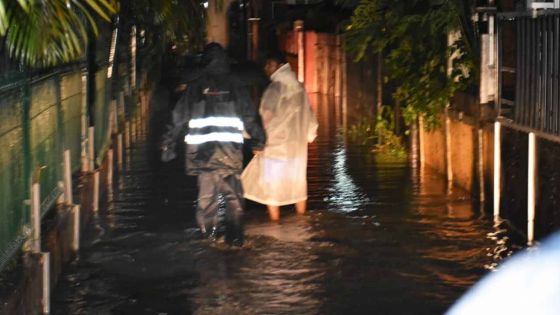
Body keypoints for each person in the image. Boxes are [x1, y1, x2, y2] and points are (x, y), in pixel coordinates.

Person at [161, 43, 266, 246]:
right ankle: (235, 242)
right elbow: (251, 117)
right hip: (230, 155)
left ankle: (209, 242)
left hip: (202, 157)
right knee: (234, 200)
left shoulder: (195, 87)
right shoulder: (236, 86)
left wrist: (168, 146)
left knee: (206, 202)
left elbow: (177, 118)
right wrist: (259, 141)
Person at [241, 52, 318, 221]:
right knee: (297, 187)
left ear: (279, 65)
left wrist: (253, 136)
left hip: (275, 148)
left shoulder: (274, 88)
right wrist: (309, 135)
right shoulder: (299, 87)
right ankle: (301, 223)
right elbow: (310, 116)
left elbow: (264, 117)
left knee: (272, 190)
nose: (266, 68)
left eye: (270, 64)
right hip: (297, 149)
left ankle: (275, 225)